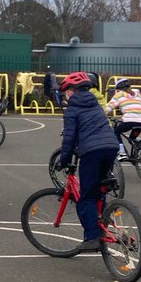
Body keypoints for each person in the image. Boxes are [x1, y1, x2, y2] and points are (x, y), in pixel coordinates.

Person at [55, 71, 120, 252]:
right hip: (111, 147)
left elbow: (69, 138)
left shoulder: (72, 109)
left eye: (66, 91)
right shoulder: (95, 104)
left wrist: (64, 159)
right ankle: (103, 222)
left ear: (71, 91)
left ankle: (92, 237)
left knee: (85, 198)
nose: (65, 96)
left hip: (92, 152)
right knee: (98, 190)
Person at [104, 77, 141, 159]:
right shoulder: (137, 92)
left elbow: (108, 108)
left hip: (129, 121)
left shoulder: (118, 95)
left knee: (116, 132)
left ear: (118, 89)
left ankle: (122, 152)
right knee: (132, 139)